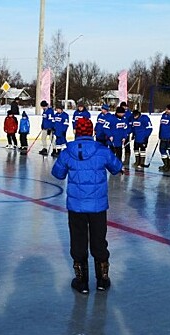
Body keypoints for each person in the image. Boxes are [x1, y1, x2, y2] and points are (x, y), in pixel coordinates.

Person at [51, 118, 123, 294]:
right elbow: (116, 168)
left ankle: (82, 282)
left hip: (76, 206)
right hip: (98, 206)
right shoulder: (101, 150)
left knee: (78, 240)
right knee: (99, 240)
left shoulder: (67, 152)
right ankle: (102, 280)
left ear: (76, 131)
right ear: (91, 132)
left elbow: (58, 174)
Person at [158, 104, 170, 172]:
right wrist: (160, 135)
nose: (166, 110)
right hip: (163, 137)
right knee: (162, 150)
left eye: (167, 109)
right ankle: (166, 165)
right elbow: (161, 126)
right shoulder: (164, 115)